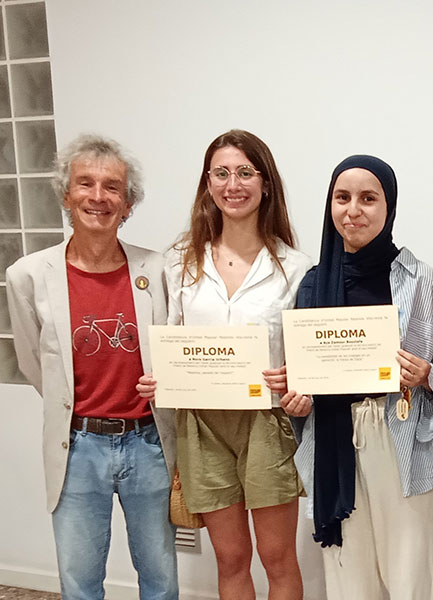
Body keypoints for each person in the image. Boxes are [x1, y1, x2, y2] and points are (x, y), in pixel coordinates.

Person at [138, 130, 310, 600]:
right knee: (231, 558)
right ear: (207, 184)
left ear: (265, 183)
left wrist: (296, 379)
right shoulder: (178, 263)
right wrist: (161, 380)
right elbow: (168, 339)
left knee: (278, 560)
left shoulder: (295, 268)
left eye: (245, 173)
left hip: (266, 425)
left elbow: (305, 361)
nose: (233, 185)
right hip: (202, 427)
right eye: (221, 173)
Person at [6, 134, 178, 599]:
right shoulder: (27, 274)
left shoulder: (158, 270)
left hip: (150, 444)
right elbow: (33, 362)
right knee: (80, 583)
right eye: (85, 184)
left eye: (112, 188)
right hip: (76, 448)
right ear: (66, 195)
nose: (98, 197)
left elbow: (172, 351)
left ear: (128, 205)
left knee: (160, 579)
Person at [280, 155, 433, 600]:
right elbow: (301, 374)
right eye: (342, 198)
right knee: (349, 579)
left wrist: (427, 375)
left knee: (410, 573)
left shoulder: (424, 280)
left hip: (400, 434)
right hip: (334, 440)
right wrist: (296, 397)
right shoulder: (312, 284)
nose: (353, 210)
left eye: (368, 198)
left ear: (388, 206)